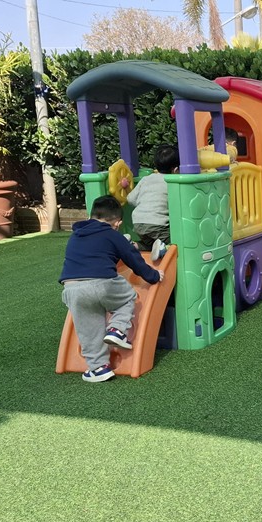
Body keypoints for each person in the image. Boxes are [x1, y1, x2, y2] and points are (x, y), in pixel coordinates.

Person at [59, 195, 164, 383]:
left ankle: (98, 368)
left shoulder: (76, 235)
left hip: (72, 289)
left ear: (91, 215)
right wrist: (154, 275)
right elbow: (134, 260)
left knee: (89, 330)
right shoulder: (113, 235)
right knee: (127, 298)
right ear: (117, 223)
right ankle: (117, 329)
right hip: (102, 283)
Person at [127, 144, 179, 261]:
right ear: (175, 170)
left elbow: (130, 199)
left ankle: (133, 245)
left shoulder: (146, 179)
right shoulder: (172, 183)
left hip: (138, 223)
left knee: (151, 244)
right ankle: (164, 247)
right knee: (178, 242)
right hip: (158, 225)